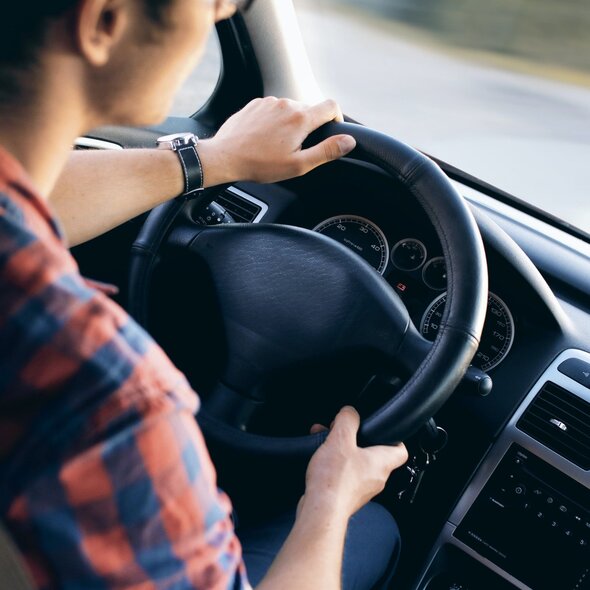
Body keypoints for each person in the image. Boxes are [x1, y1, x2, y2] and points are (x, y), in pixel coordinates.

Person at [0, 1, 409, 588]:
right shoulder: (106, 400)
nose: (220, 14)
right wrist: (329, 498)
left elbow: (27, 202)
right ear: (103, 21)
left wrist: (213, 159)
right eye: (216, 1)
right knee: (373, 527)